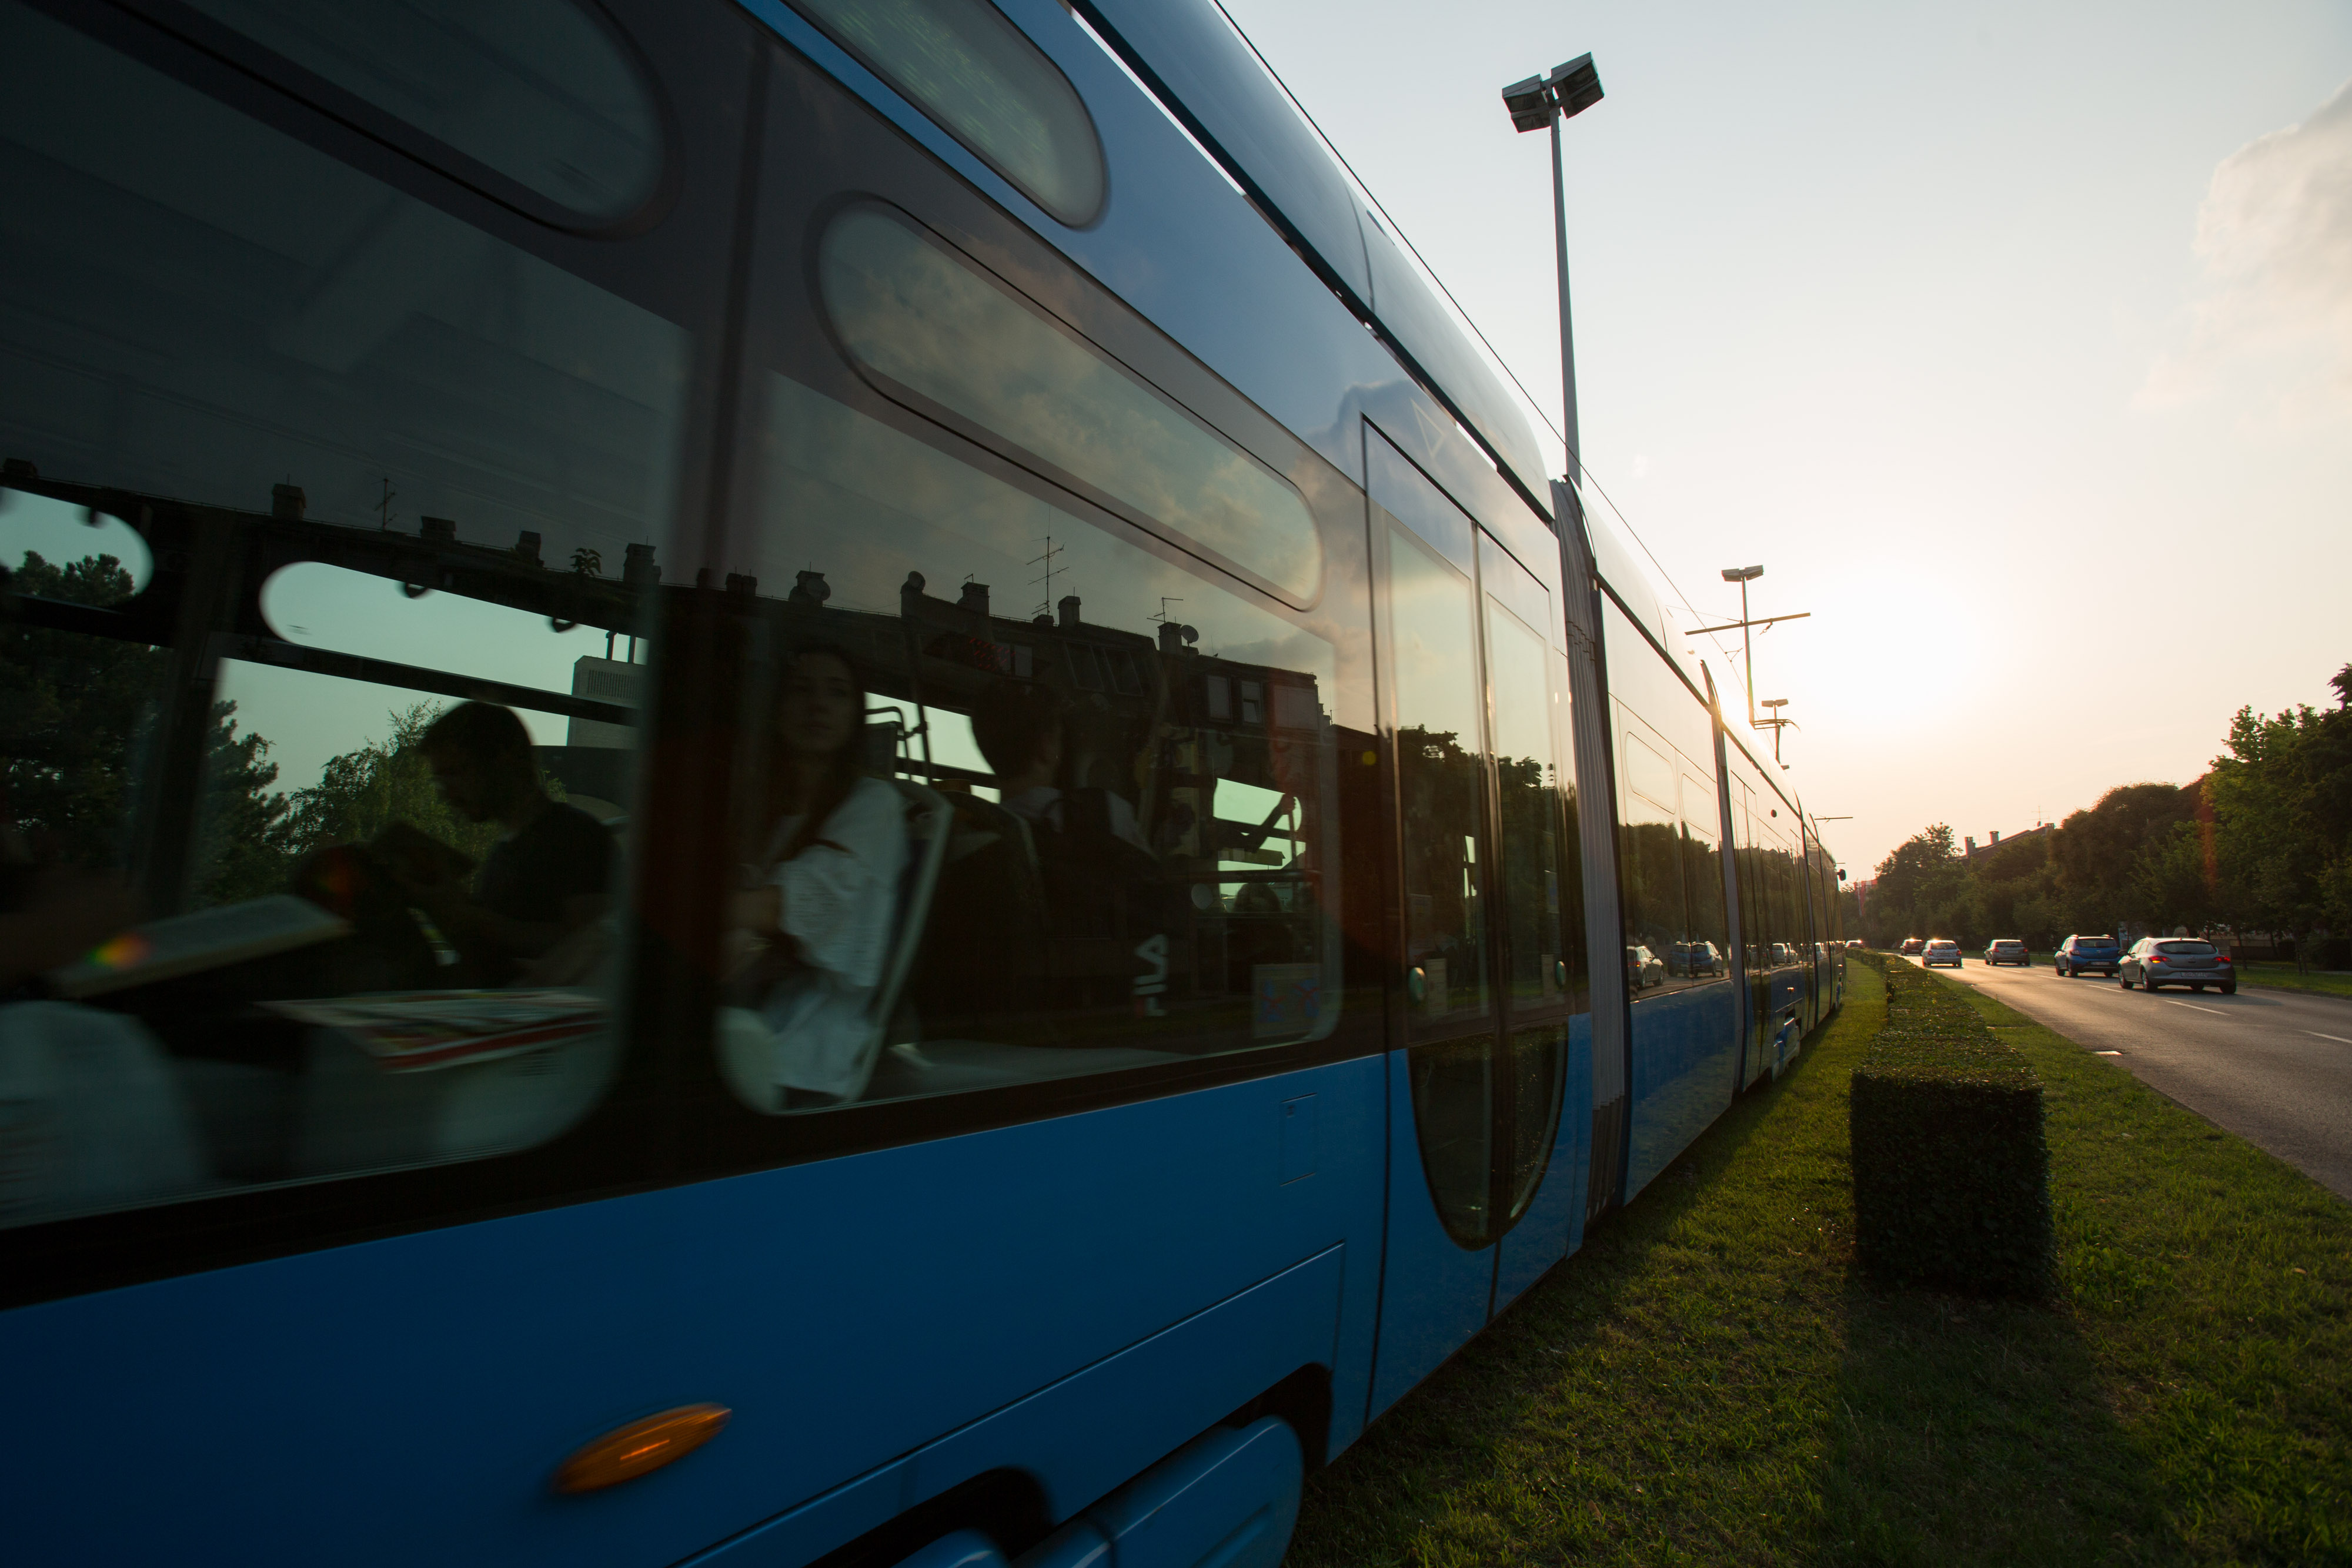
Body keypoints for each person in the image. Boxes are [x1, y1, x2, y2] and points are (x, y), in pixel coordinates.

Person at [728, 646, 907, 1105]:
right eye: (802, 690)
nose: (818, 705)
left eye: (837, 693)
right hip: (742, 1011)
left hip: (807, 1041)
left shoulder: (875, 804)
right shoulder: (764, 808)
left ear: (854, 715)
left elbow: (798, 902)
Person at [397, 701, 613, 985]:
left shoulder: (578, 837)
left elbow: (589, 947)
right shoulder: (509, 848)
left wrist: (475, 920)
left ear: (502, 758)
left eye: (455, 773)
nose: (447, 794)